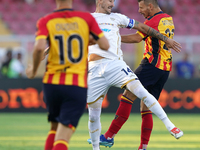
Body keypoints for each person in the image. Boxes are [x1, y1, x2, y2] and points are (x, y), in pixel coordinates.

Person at [87, 0, 183, 150]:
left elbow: (137, 38)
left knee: (128, 94)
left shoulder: (153, 20)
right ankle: (143, 147)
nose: (139, 11)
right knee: (146, 107)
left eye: (141, 7)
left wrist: (113, 38)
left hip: (151, 64)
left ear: (150, 6)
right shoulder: (167, 18)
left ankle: (108, 136)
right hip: (165, 68)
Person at [25, 0, 109, 150]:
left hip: (52, 84)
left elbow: (38, 48)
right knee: (63, 137)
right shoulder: (86, 19)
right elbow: (105, 45)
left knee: (54, 128)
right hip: (76, 85)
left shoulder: (46, 20)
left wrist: (32, 70)